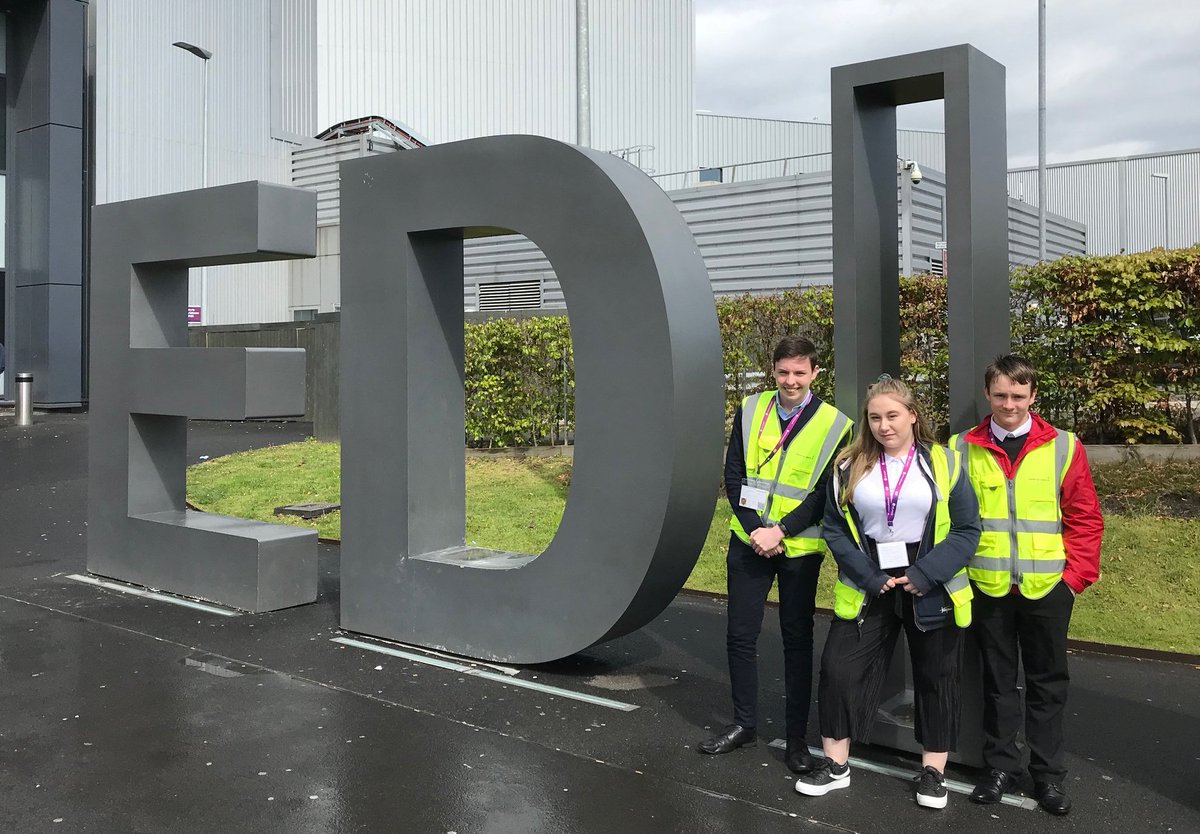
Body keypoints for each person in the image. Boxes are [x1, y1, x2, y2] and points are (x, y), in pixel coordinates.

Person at [795, 377, 980, 809]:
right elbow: (835, 529)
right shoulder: (847, 464)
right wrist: (867, 575)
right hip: (868, 582)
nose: (884, 425)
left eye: (893, 415)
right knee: (838, 670)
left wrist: (926, 573)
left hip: (929, 582)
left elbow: (969, 529)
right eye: (875, 417)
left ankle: (933, 773)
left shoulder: (945, 462)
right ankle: (836, 765)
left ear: (913, 415)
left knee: (937, 678)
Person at [950, 355, 1103, 816]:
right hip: (989, 586)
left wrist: (1073, 579)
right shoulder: (960, 447)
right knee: (996, 683)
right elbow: (949, 521)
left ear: (1033, 396)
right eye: (1001, 395)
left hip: (1047, 588)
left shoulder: (1063, 445)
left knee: (1047, 684)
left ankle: (1049, 777)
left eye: (1018, 396)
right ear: (988, 395)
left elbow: (1085, 517)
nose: (1009, 404)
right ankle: (1000, 768)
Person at [698, 336, 852, 775]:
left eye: (799, 373)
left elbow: (826, 493)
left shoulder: (835, 423)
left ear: (815, 373)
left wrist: (780, 530)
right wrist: (755, 530)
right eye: (783, 372)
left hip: (799, 547)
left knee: (796, 641)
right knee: (740, 635)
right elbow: (734, 472)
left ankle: (797, 740)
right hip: (748, 539)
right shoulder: (751, 409)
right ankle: (744, 724)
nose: (790, 380)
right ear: (773, 370)